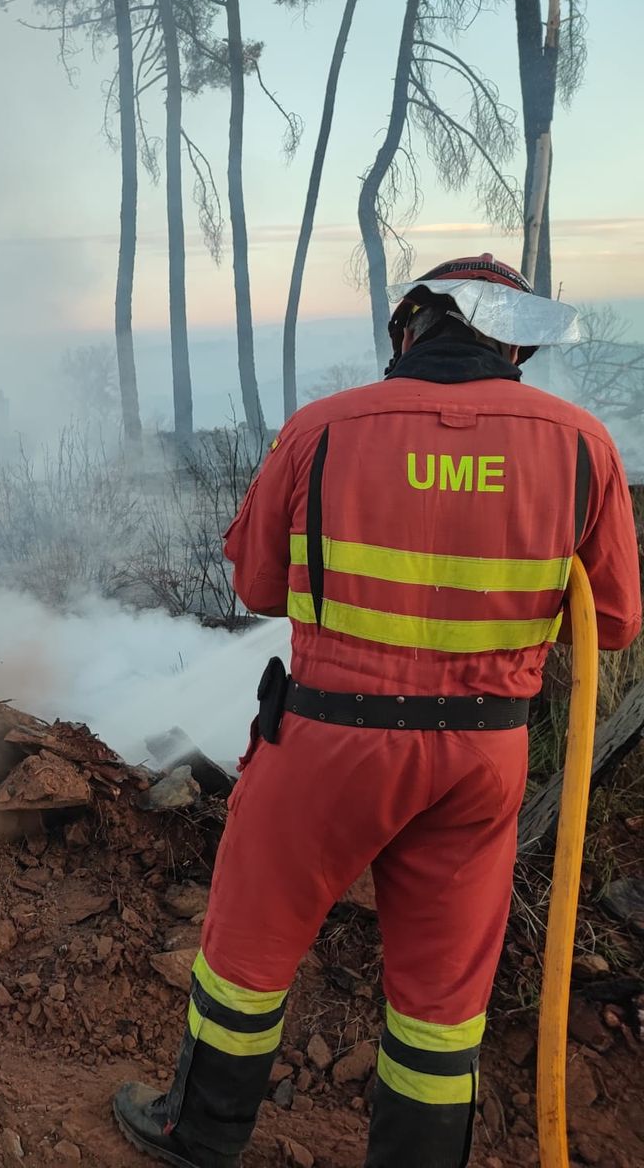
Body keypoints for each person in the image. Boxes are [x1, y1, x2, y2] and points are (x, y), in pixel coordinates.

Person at [114, 254, 643, 1168]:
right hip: (482, 762)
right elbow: (618, 623)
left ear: (409, 330)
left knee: (247, 955)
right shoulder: (582, 444)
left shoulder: (322, 428)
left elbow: (255, 582)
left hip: (327, 743)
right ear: (511, 342)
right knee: (441, 1009)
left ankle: (196, 1137)